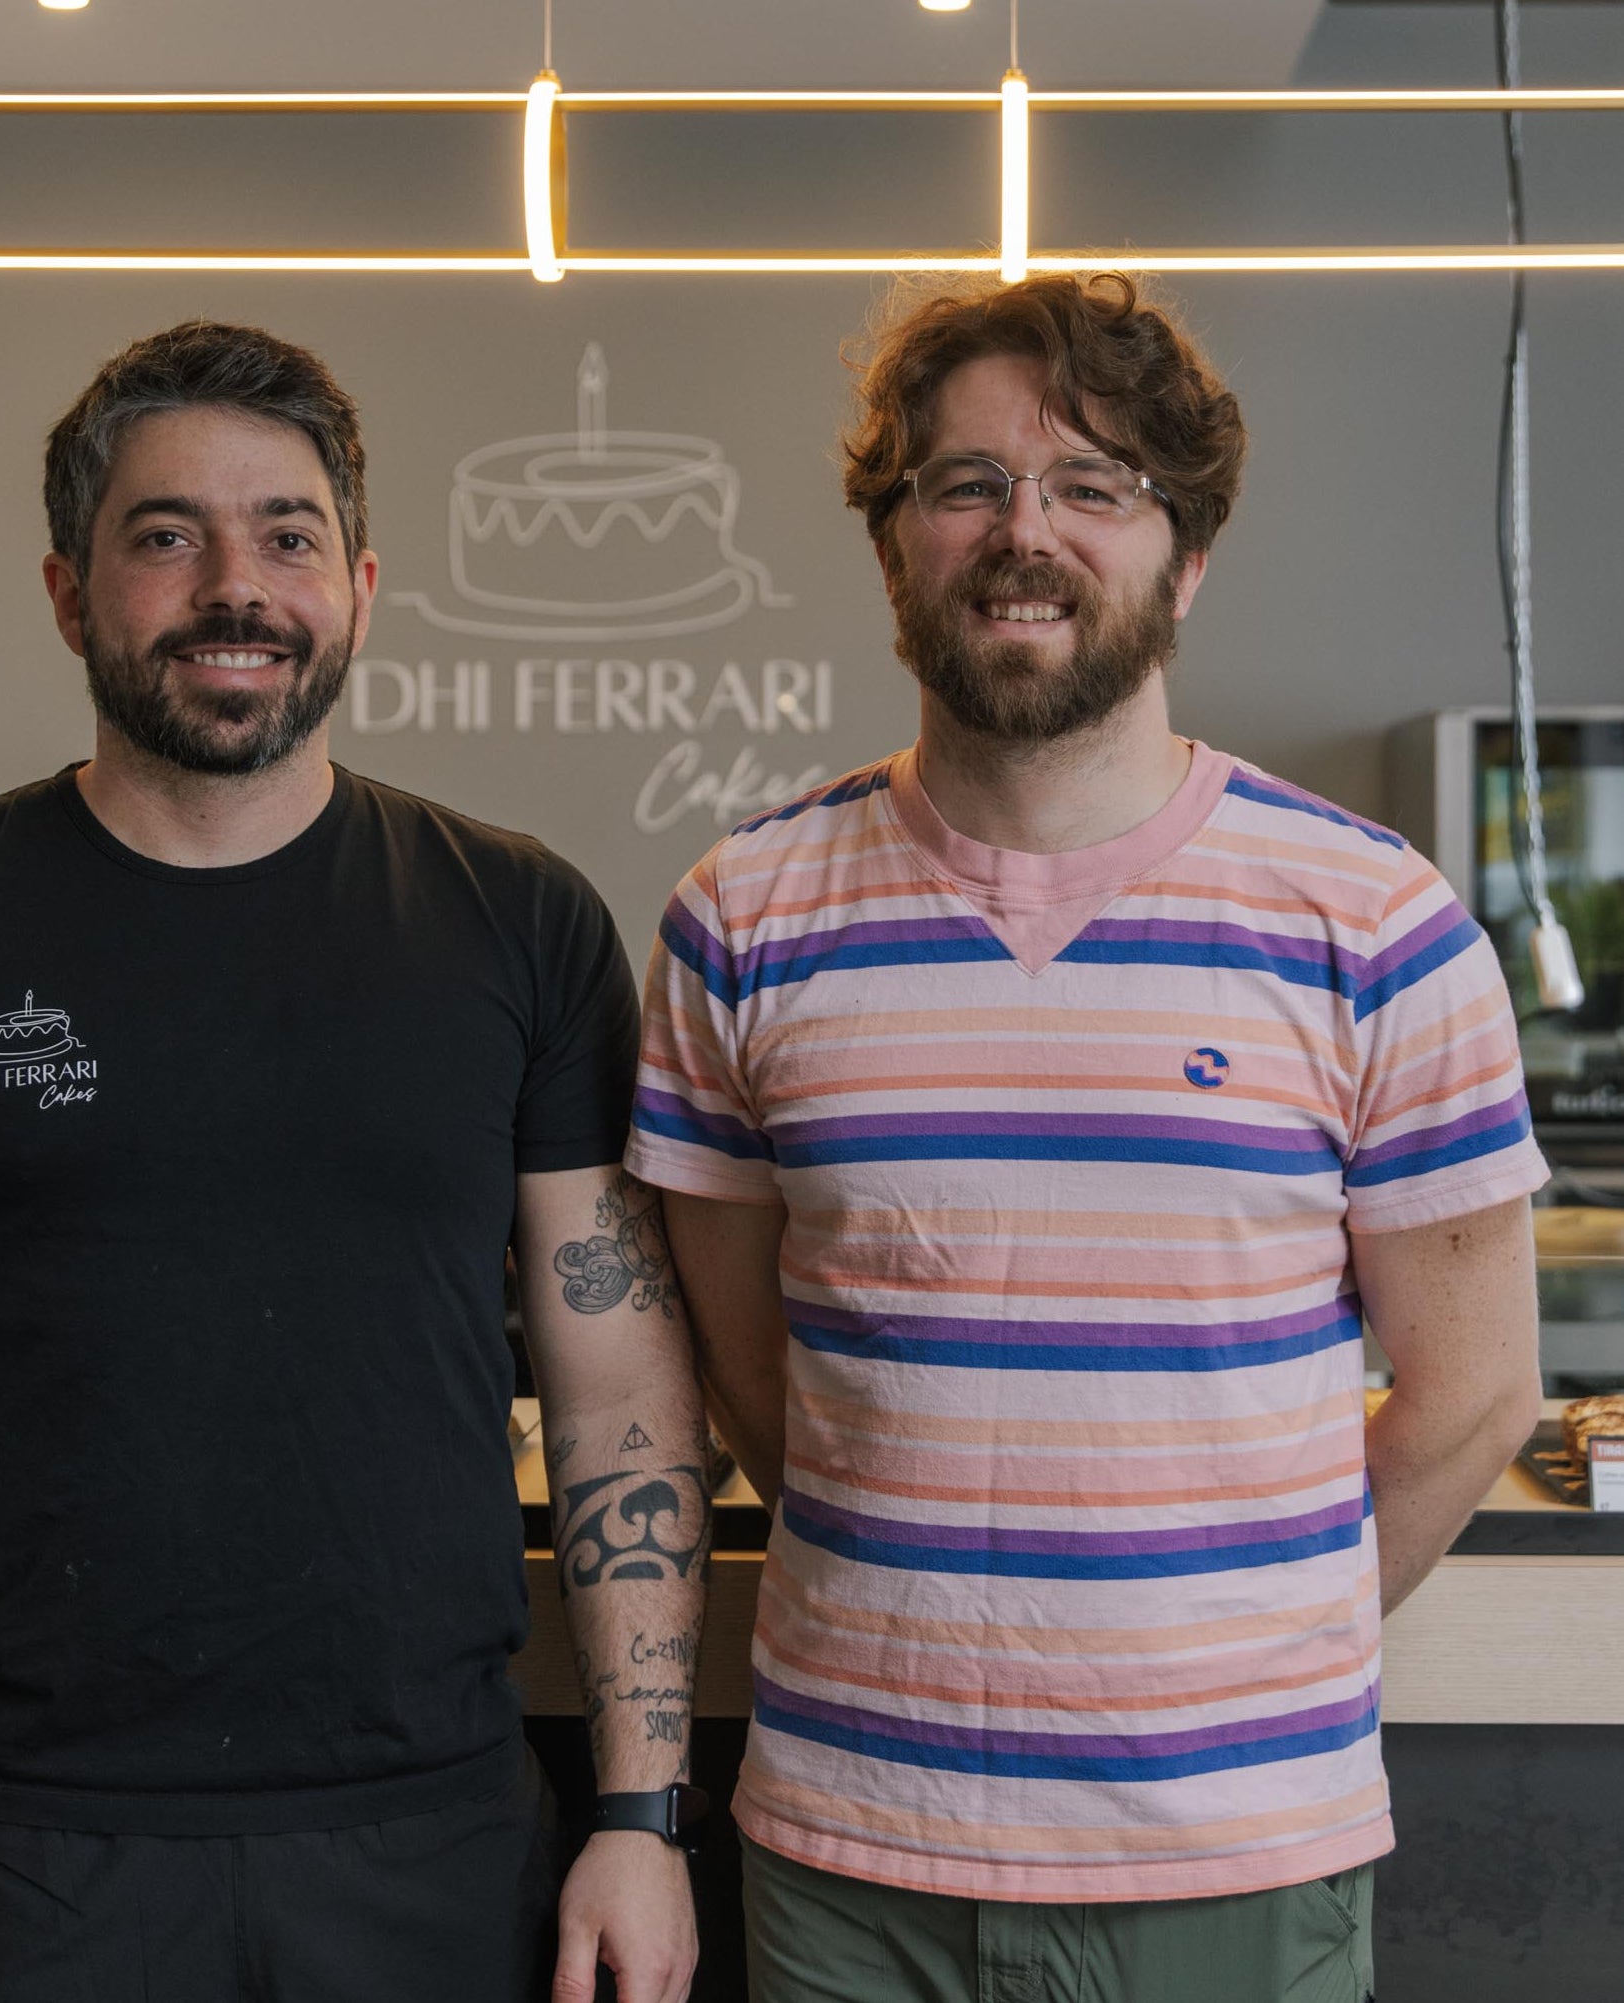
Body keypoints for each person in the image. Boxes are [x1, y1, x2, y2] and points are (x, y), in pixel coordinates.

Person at [0, 321, 709, 2003]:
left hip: (435, 1843)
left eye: (287, 536)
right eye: (166, 536)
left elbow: (619, 1394)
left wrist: (643, 1815)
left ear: (360, 587)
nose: (238, 585)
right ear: (70, 592)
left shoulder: (518, 924)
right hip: (13, 1859)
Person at [624, 273, 1545, 2003]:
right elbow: (750, 1374)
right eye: (964, 484)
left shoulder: (1378, 927)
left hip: (1235, 1858)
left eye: (1091, 487)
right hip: (849, 1851)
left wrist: (1238, 1665)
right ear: (894, 545)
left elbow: (1479, 1393)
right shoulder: (739, 921)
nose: (1019, 531)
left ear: (1184, 556)